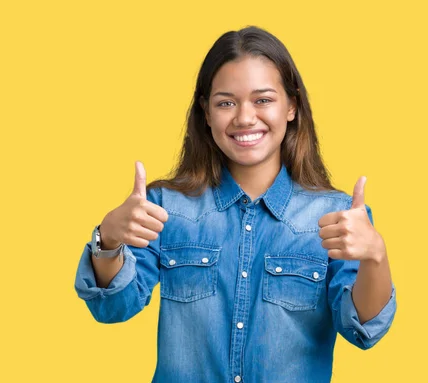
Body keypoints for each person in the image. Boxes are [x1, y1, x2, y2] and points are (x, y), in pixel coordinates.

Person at [74, 26, 396, 383]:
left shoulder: (339, 217)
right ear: (206, 112)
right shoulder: (165, 207)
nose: (244, 117)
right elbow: (113, 307)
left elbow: (364, 329)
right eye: (226, 102)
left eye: (263, 100)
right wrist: (108, 239)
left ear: (291, 105)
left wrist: (375, 256)